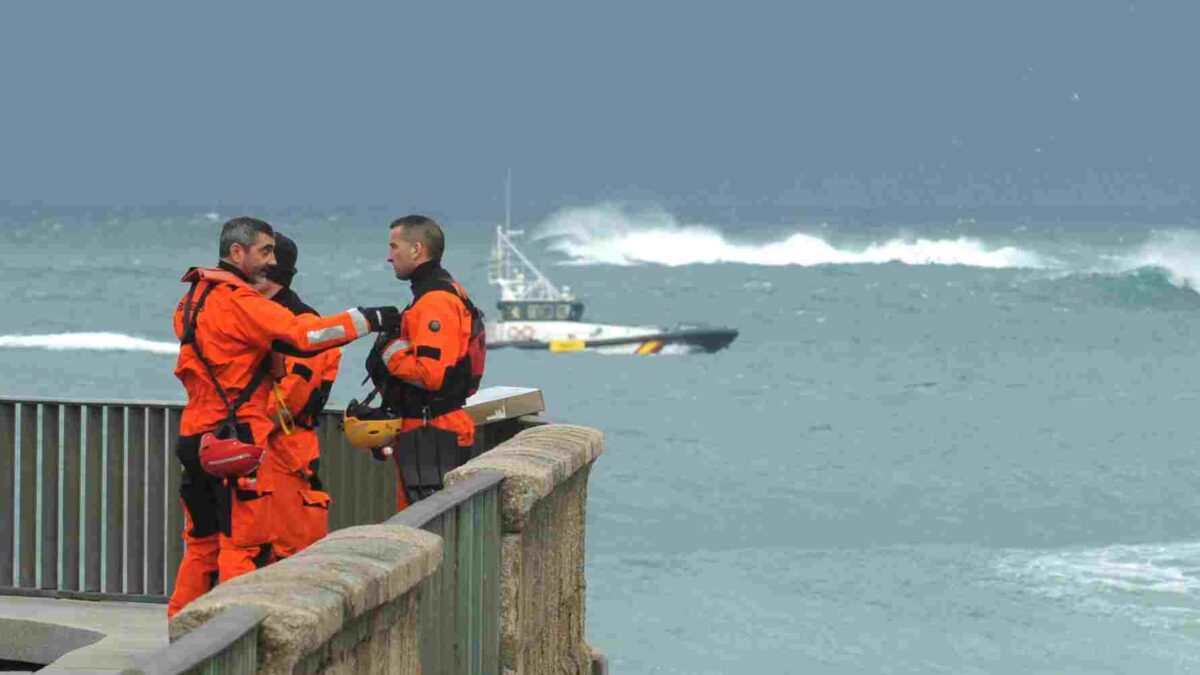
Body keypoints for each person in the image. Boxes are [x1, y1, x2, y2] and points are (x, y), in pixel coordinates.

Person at [168, 217, 399, 618]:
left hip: (195, 435)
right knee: (245, 547)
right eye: (264, 251)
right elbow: (304, 338)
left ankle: (181, 633)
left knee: (203, 544)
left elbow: (223, 356)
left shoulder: (194, 298)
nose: (270, 262)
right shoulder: (241, 302)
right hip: (234, 443)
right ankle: (232, 637)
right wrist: (368, 319)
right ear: (236, 252)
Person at [350, 215, 484, 511]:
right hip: (429, 427)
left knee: (426, 523)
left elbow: (430, 375)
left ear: (416, 249)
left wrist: (390, 349)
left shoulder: (435, 300)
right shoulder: (442, 291)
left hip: (433, 431)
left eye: (394, 246)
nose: (389, 256)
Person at [252, 232, 340, 559]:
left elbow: (288, 402)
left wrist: (242, 428)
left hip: (285, 452)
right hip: (259, 449)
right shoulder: (260, 320)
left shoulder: (306, 327)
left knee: (287, 550)